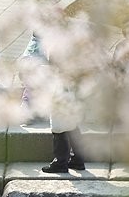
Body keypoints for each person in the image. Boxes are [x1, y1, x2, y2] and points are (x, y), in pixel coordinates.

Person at [22, 33, 86, 173]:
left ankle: (60, 162)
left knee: (59, 129)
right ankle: (78, 159)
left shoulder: (57, 63)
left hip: (60, 98)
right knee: (72, 127)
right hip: (70, 97)